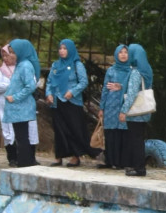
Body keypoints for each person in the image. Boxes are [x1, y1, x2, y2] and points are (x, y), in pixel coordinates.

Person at [101, 42, 151, 176]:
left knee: (135, 140)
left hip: (135, 112)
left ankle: (139, 168)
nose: (126, 54)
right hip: (144, 111)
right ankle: (139, 167)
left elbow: (132, 93)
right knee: (139, 139)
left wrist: (123, 110)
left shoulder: (135, 72)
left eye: (129, 52)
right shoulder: (147, 70)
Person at [44, 37, 91, 167]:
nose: (62, 51)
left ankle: (75, 156)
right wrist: (48, 94)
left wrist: (72, 92)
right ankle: (59, 156)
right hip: (57, 101)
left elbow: (83, 82)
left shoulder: (77, 65)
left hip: (72, 102)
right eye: (60, 48)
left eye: (65, 48)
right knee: (59, 129)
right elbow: (49, 82)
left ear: (70, 50)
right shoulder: (56, 65)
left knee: (72, 129)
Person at [1, 38, 41, 166]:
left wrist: (15, 97)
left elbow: (30, 86)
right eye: (10, 52)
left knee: (22, 137)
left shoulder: (25, 66)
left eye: (13, 52)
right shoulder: (20, 64)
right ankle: (25, 162)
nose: (11, 55)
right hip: (17, 109)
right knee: (20, 136)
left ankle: (25, 163)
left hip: (21, 108)